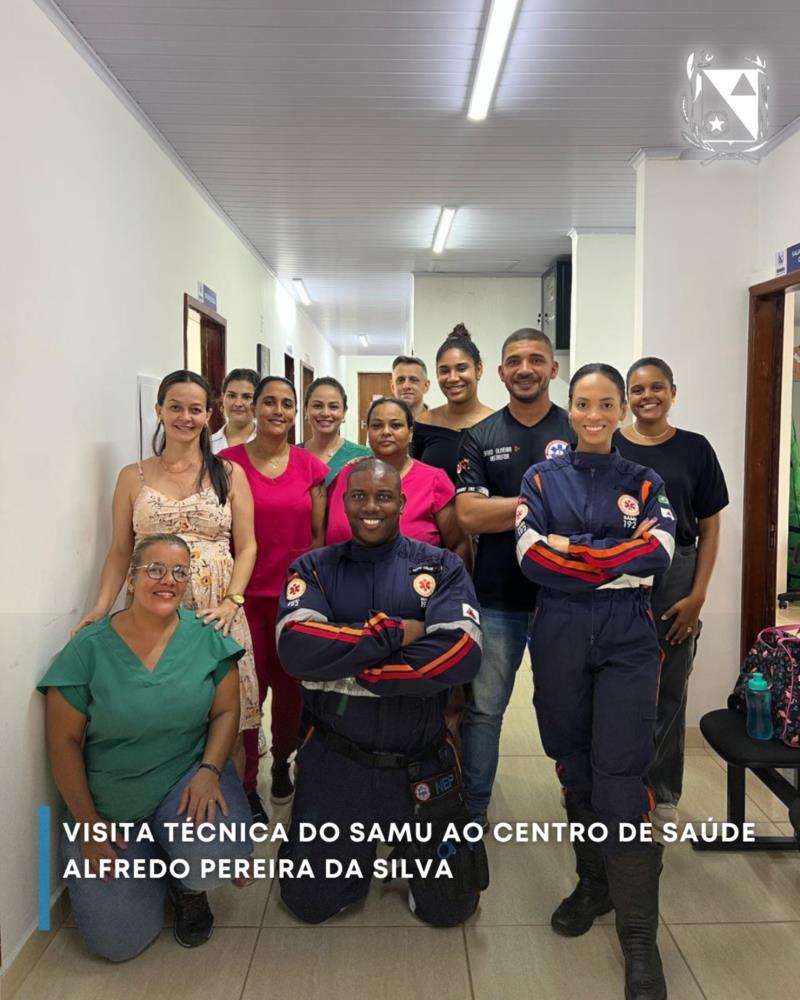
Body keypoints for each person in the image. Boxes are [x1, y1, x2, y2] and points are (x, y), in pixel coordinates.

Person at [516, 363, 676, 1000]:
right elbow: (532, 558)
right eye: (583, 404)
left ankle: (639, 939)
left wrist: (573, 548)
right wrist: (612, 554)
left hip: (628, 634)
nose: (594, 415)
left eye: (607, 404)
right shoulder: (539, 478)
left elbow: (659, 554)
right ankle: (594, 883)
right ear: (570, 407)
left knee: (621, 776)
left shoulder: (646, 480)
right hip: (558, 628)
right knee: (573, 762)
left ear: (621, 411)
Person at [274, 458, 488, 925]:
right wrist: (398, 633)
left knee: (452, 909)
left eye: (383, 497)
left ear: (402, 503)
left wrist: (347, 670)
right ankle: (346, 850)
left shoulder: (443, 566)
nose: (371, 507)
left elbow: (460, 654)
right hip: (337, 761)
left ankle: (409, 853)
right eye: (359, 496)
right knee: (309, 904)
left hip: (420, 760)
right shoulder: (313, 567)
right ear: (343, 503)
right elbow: (296, 648)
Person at [40, 534, 253, 960]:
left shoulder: (207, 637)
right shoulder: (87, 649)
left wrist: (210, 771)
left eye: (179, 572)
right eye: (155, 569)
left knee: (216, 858)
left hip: (184, 781)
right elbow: (63, 743)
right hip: (110, 803)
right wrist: (88, 823)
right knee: (118, 944)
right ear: (131, 580)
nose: (168, 580)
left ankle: (186, 883)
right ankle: (154, 866)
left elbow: (228, 712)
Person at [72, 369, 260, 737]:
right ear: (159, 410)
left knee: (226, 720)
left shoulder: (229, 473)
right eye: (175, 407)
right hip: (152, 607)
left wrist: (232, 602)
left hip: (216, 611)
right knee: (163, 715)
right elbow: (120, 550)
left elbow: (248, 545)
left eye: (195, 409)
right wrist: (100, 608)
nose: (185, 417)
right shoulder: (132, 476)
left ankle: (225, 777)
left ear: (209, 415)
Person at [455, 328, 572, 825]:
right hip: (497, 596)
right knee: (485, 710)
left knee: (570, 709)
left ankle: (581, 799)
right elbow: (469, 515)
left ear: (553, 368)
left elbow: (592, 512)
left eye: (536, 359)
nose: (526, 369)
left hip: (566, 599)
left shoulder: (577, 429)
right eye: (515, 361)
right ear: (501, 372)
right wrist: (547, 502)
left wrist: (504, 509)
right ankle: (474, 809)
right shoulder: (481, 436)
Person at [615, 357, 728, 826]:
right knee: (615, 687)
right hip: (619, 572)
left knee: (669, 686)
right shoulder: (612, 445)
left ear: (673, 393)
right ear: (627, 399)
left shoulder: (695, 449)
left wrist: (698, 596)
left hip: (676, 571)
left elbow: (710, 526)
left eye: (656, 387)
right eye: (638, 390)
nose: (647, 397)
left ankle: (661, 794)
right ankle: (611, 787)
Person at [221, 375, 328, 819]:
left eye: (287, 403)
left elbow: (319, 536)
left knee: (290, 692)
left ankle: (282, 762)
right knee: (248, 693)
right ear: (254, 408)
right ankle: (247, 783)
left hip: (294, 600)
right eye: (269, 402)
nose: (278, 411)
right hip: (243, 599)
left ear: (295, 411)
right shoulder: (226, 464)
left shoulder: (311, 467)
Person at [326, 397, 471, 565]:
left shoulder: (434, 481)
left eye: (396, 425)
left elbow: (459, 545)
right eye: (377, 426)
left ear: (410, 433)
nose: (386, 432)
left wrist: (453, 582)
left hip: (417, 580)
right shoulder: (347, 475)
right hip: (344, 579)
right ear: (368, 432)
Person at [411, 325, 493, 483]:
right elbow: (414, 480)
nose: (453, 378)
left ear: (478, 369)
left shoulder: (496, 425)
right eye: (444, 371)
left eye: (461, 368)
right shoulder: (423, 424)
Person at [300, 376, 370, 486]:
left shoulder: (364, 457)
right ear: (306, 410)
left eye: (333, 407)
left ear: (344, 412)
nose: (325, 413)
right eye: (317, 406)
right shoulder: (291, 456)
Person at [210, 368, 259, 455]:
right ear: (223, 398)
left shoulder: (270, 444)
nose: (238, 403)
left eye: (247, 397)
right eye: (231, 396)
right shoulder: (207, 446)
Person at [391, 355, 431, 420]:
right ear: (393, 387)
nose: (406, 386)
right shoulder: (383, 424)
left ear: (426, 386)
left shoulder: (440, 423)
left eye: (413, 380)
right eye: (400, 380)